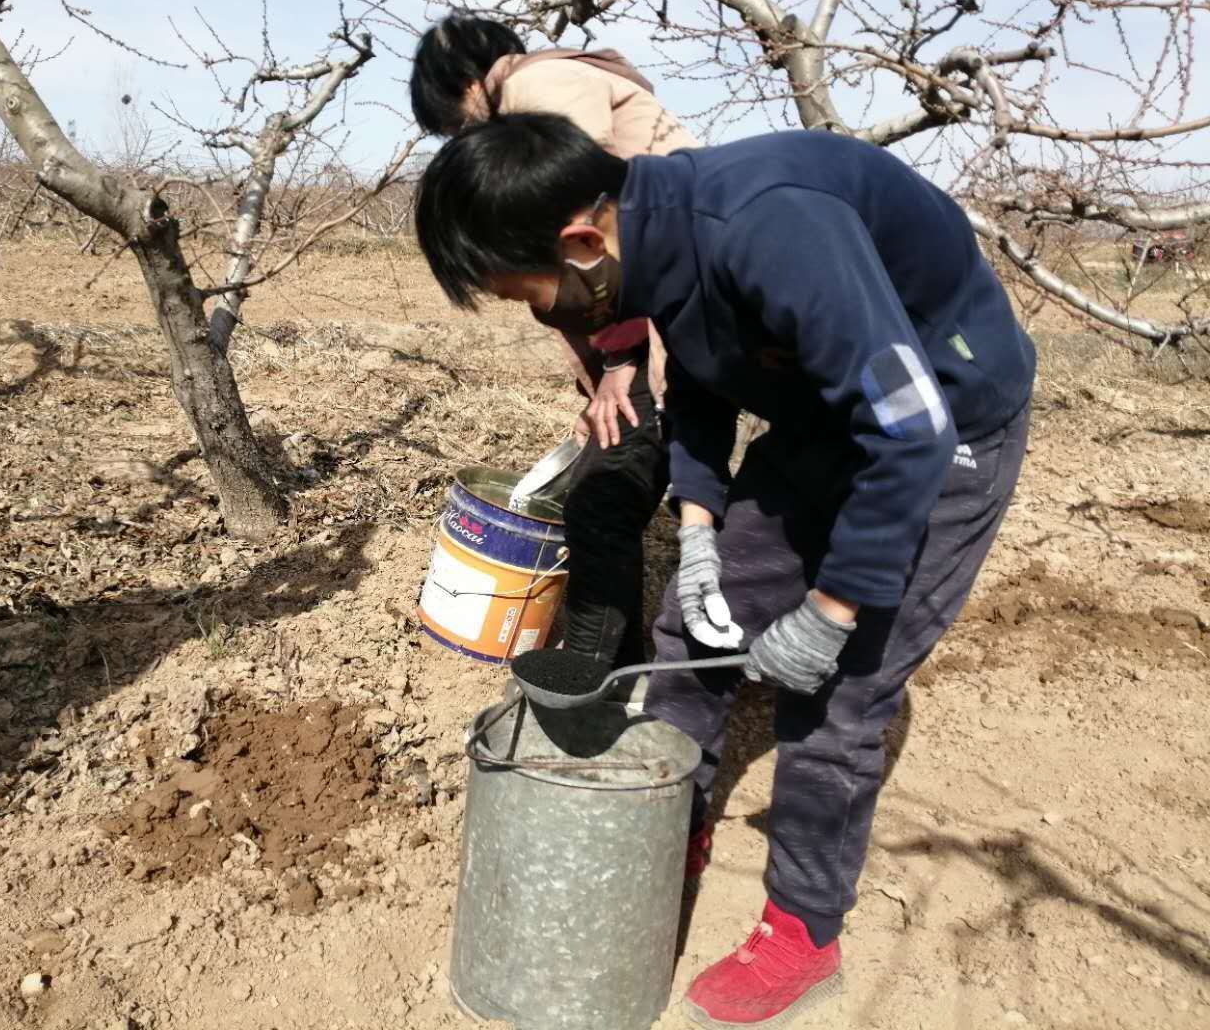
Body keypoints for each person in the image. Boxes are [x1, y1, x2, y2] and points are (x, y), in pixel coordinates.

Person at [413, 113, 1034, 1029]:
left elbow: (909, 431)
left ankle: (802, 929)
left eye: (531, 294)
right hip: (826, 416)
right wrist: (700, 530)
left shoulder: (772, 227)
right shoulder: (655, 238)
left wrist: (828, 611)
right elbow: (701, 380)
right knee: (691, 638)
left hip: (946, 430)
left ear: (582, 244)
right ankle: (672, 825)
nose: (545, 315)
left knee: (837, 699)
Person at [411, 14, 699, 668]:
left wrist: (621, 361)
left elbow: (595, 225)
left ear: (468, 85)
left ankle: (594, 683)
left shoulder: (539, 88)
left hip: (656, 333)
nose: (467, 140)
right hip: (657, 330)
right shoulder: (572, 80)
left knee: (602, 506)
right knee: (632, 487)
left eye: (457, 123)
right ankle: (621, 660)